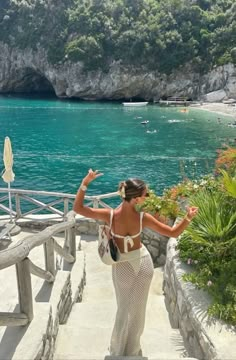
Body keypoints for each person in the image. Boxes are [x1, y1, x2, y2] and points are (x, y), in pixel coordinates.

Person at [73, 169, 198, 357]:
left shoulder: (111, 215)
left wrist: (85, 183)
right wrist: (188, 217)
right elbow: (173, 233)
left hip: (123, 266)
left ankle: (118, 350)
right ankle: (133, 350)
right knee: (138, 310)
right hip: (143, 263)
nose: (147, 197)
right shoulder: (143, 217)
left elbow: (78, 209)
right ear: (136, 199)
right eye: (145, 194)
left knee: (123, 309)